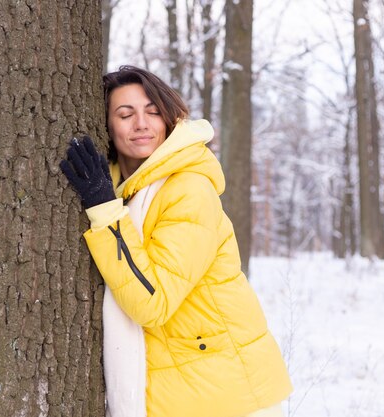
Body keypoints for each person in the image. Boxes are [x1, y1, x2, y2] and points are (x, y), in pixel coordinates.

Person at [59, 66, 292, 417]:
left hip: (223, 396)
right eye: (125, 114)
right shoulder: (127, 190)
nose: (142, 123)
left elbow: (154, 302)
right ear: (106, 125)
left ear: (168, 120)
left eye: (153, 112)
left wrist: (105, 211)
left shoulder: (188, 189)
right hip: (187, 386)